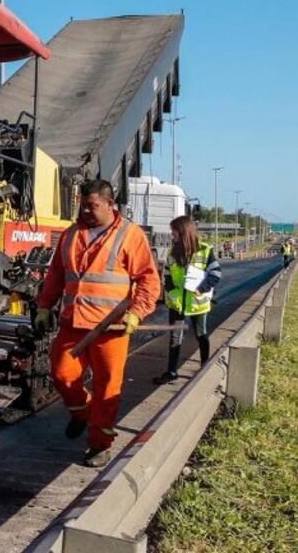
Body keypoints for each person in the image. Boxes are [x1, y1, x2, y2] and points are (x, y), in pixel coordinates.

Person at [34, 180, 160, 468]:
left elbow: (149, 280)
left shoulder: (131, 235)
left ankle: (99, 445)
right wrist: (44, 307)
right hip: (73, 323)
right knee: (63, 375)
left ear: (109, 204)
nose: (86, 210)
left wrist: (136, 312)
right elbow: (56, 274)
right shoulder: (71, 234)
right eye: (83, 204)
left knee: (107, 389)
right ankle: (81, 412)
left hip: (110, 329)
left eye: (92, 206)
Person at [153, 216, 221, 384]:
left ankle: (204, 366)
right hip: (177, 303)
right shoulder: (173, 252)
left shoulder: (205, 250)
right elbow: (167, 275)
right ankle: (171, 371)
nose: (171, 234)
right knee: (175, 337)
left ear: (183, 231)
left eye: (174, 231)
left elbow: (216, 273)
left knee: (201, 335)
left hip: (197, 304)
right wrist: (169, 290)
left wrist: (201, 288)